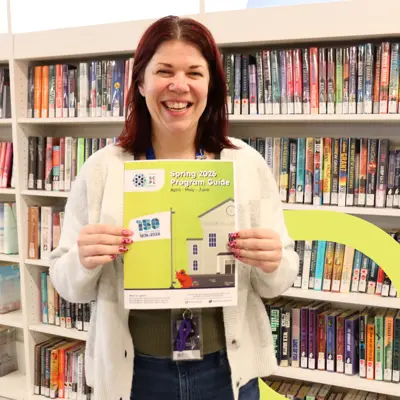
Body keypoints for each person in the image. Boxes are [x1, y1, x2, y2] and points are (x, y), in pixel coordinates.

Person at [49, 15, 299, 400]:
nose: (179, 86)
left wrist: (273, 261)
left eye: (194, 73)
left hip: (226, 368)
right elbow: (66, 283)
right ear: (141, 82)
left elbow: (278, 279)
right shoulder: (103, 169)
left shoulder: (245, 164)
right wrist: (82, 259)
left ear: (210, 84)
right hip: (137, 373)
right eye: (164, 71)